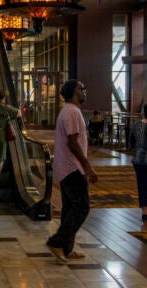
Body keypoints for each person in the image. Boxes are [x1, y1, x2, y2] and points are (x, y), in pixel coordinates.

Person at [46, 79, 98, 264]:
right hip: (72, 167)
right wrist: (87, 167)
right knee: (82, 207)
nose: (85, 92)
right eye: (82, 89)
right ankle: (57, 242)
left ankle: (66, 249)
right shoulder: (72, 112)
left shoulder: (69, 111)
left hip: (67, 167)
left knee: (70, 209)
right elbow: (72, 142)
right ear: (75, 91)